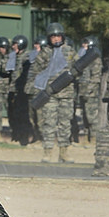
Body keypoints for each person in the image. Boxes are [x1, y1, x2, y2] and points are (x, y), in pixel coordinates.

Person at [30, 22, 77, 163]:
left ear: (62, 36)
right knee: (49, 123)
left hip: (67, 95)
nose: (56, 39)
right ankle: (47, 152)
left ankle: (64, 152)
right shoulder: (45, 53)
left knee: (65, 124)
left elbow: (80, 70)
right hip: (49, 95)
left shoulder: (70, 52)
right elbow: (35, 72)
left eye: (58, 36)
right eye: (53, 36)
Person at [7, 34, 35, 145]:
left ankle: (24, 137)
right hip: (14, 90)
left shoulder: (27, 57)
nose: (13, 46)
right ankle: (17, 136)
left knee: (24, 115)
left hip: (23, 91)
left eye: (15, 44)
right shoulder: (14, 57)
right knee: (14, 115)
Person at [76, 35, 102, 144]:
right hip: (82, 91)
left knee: (92, 116)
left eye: (86, 44)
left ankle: (94, 138)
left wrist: (89, 91)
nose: (83, 46)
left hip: (91, 93)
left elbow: (95, 78)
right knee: (84, 115)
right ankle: (86, 137)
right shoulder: (83, 59)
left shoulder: (95, 60)